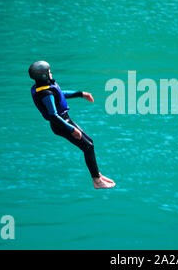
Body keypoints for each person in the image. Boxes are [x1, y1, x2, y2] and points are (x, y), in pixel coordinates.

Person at [28, 61, 115, 189]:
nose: (51, 73)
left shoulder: (43, 87)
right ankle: (97, 181)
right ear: (44, 76)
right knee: (88, 146)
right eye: (49, 72)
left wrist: (80, 94)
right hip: (61, 124)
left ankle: (97, 174)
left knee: (89, 143)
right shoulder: (46, 94)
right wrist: (71, 129)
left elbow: (60, 94)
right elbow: (53, 115)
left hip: (64, 121)